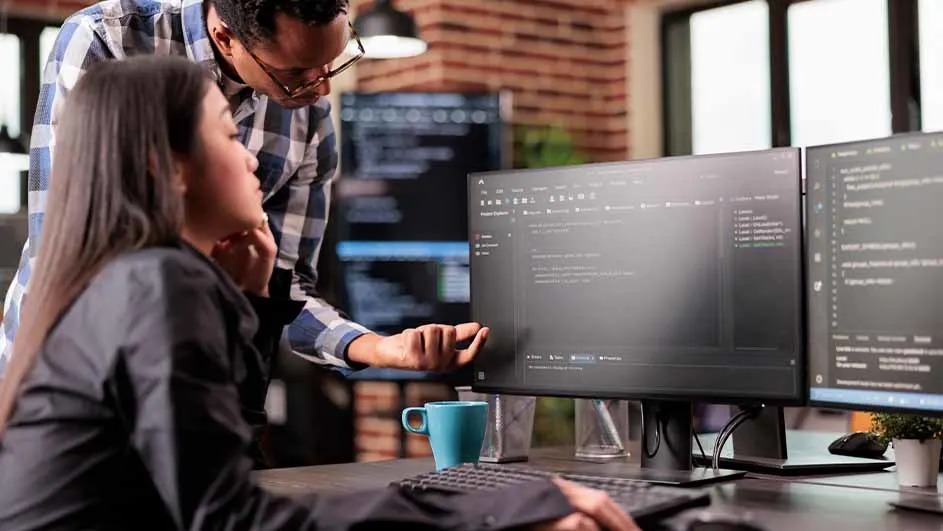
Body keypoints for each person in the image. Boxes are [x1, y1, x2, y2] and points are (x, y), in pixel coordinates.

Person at [0, 55, 638, 531]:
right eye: (228, 134)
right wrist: (493, 509)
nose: (253, 158)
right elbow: (231, 516)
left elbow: (221, 465)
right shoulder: (160, 283)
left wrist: (252, 306)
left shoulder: (119, 282)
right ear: (163, 167)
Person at [0, 0, 484, 376]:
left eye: (333, 62)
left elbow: (286, 289)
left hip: (198, 371)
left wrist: (379, 347)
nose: (321, 92)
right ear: (225, 38)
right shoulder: (110, 38)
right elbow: (71, 246)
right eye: (295, 75)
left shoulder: (309, 118)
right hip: (65, 367)